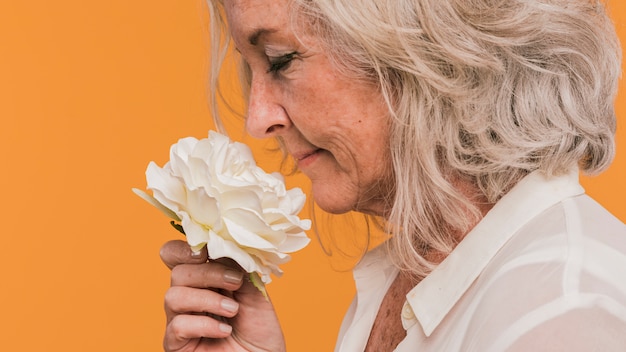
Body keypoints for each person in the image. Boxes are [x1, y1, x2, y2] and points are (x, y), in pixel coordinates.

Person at [159, 0, 626, 350]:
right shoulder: (404, 280)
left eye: (281, 59)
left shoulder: (563, 315)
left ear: (429, 44)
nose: (257, 118)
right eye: (250, 67)